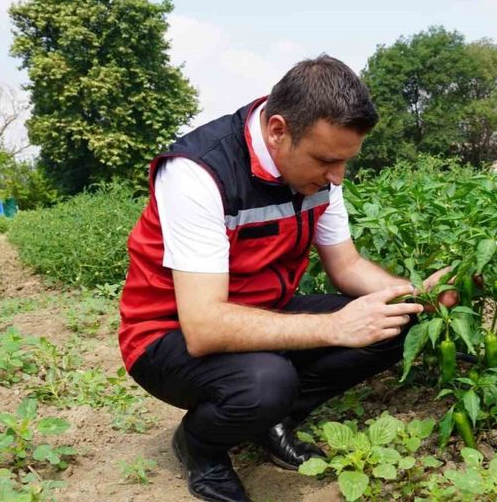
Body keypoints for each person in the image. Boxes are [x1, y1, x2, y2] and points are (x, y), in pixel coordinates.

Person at [118, 55, 455, 502]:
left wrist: (417, 295)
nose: (337, 177)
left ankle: (272, 422)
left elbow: (347, 266)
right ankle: (201, 446)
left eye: (344, 163)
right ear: (278, 131)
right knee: (266, 382)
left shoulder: (320, 176)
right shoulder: (199, 172)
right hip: (167, 334)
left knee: (397, 317)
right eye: (325, 161)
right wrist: (334, 327)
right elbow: (202, 328)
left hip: (264, 312)